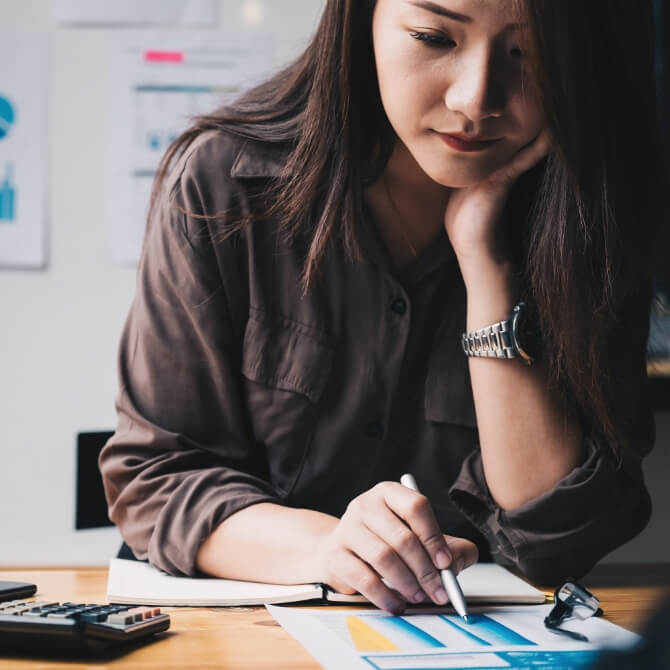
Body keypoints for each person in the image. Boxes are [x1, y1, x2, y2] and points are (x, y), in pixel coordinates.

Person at [99, 0, 663, 615]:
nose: (476, 99)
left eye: (528, 53)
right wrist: (332, 548)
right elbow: (155, 478)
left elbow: (559, 537)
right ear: (360, 19)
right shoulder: (223, 181)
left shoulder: (596, 212)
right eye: (433, 37)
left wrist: (485, 262)